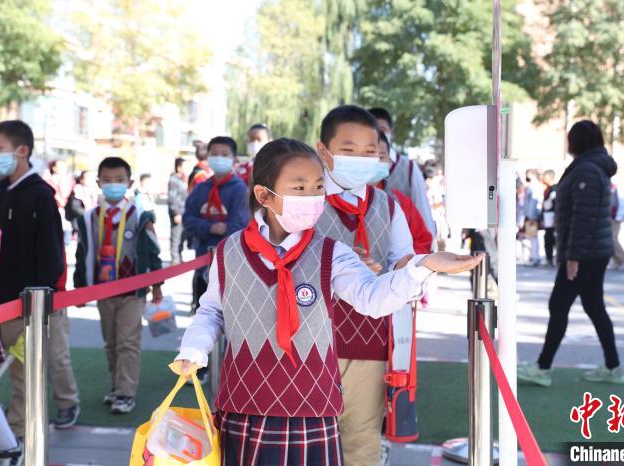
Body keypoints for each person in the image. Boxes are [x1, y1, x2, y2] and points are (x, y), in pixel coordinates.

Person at [173, 138, 483, 465]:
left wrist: (424, 266)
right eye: (299, 187)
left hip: (312, 406)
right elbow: (212, 311)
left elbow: (372, 299)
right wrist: (194, 349)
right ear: (264, 195)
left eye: (318, 187)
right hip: (246, 406)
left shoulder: (330, 253)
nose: (312, 197)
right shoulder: (230, 252)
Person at [313, 105, 417, 465]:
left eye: (370, 151)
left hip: (367, 341)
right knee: (308, 436)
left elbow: (403, 263)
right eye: (348, 149)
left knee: (360, 437)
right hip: (307, 341)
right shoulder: (302, 199)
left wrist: (409, 270)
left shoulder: (388, 206)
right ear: (322, 151)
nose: (360, 158)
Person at [518, 120, 624, 387]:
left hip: (585, 252)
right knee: (593, 306)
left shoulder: (587, 170)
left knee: (559, 305)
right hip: (594, 250)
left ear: (577, 141)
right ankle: (613, 367)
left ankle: (543, 367)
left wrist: (572, 257)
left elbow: (583, 217)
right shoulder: (592, 166)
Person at [0, 120, 80, 444]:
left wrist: (40, 300)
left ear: (22, 151)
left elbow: (50, 255)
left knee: (35, 367)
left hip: (32, 303)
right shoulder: (3, 191)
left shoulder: (41, 196)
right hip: (5, 302)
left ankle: (20, 436)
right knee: (23, 371)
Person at [74, 157, 163, 414]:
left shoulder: (141, 216)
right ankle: (116, 386)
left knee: (127, 341)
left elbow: (153, 251)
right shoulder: (89, 218)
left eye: (119, 180)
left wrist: (156, 285)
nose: (113, 185)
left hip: (133, 291)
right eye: (108, 180)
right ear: (98, 183)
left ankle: (126, 392)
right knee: (111, 342)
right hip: (104, 290)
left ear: (129, 183)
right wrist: (81, 288)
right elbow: (82, 254)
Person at [183, 136, 250, 314]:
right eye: (214, 154)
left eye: (224, 154)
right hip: (202, 259)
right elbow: (188, 219)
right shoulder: (200, 189)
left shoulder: (240, 190)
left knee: (230, 314)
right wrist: (210, 228)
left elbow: (241, 224)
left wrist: (225, 229)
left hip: (232, 262)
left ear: (234, 160)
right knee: (204, 312)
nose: (219, 157)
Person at [368, 107, 437, 238]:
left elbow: (422, 208)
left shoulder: (409, 167)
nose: (377, 135)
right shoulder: (357, 167)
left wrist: (427, 251)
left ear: (391, 132)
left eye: (382, 130)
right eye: (372, 129)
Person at [375, 130, 433, 254]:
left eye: (380, 157)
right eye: (366, 155)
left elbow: (423, 242)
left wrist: (402, 264)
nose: (373, 161)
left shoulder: (399, 202)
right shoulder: (327, 200)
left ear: (389, 161)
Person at [46, 159, 76, 245]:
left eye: (64, 166)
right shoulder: (49, 181)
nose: (62, 168)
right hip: (55, 210)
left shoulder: (70, 180)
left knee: (67, 236)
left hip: (67, 211)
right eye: (59, 166)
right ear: (54, 168)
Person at [168, 158, 187, 265]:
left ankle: (179, 256)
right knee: (176, 235)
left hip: (184, 212)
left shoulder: (183, 179)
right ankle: (175, 258)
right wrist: (176, 213)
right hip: (178, 212)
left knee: (182, 236)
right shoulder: (174, 180)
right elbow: (172, 197)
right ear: (179, 167)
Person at [523, 169, 544, 266]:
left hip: (532, 215)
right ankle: (533, 256)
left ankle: (535, 257)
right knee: (531, 237)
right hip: (530, 215)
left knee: (533, 237)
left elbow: (534, 202)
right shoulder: (532, 186)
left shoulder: (534, 186)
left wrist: (531, 215)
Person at [609, 181, 624, 271]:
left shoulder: (617, 188)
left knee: (612, 239)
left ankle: (623, 259)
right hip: (609, 216)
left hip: (614, 217)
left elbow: (622, 203)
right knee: (609, 240)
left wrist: (619, 216)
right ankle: (616, 260)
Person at [541, 170, 557, 266]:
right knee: (548, 238)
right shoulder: (547, 189)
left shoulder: (554, 189)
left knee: (552, 239)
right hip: (547, 218)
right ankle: (549, 258)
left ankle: (553, 258)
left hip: (552, 217)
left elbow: (555, 204)